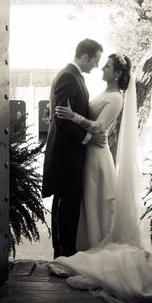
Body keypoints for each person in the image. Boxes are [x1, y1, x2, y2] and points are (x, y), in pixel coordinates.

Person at [48, 53, 152, 303]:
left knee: (97, 201)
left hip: (97, 157)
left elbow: (99, 127)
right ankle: (82, 245)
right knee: (86, 203)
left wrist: (73, 117)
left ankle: (95, 244)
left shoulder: (117, 98)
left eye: (106, 66)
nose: (101, 68)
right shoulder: (101, 91)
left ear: (117, 73)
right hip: (87, 155)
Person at [42, 38, 106, 258]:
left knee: (65, 205)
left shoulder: (74, 76)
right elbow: (61, 119)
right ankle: (64, 255)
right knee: (66, 206)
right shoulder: (69, 77)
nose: (97, 65)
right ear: (85, 56)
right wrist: (88, 137)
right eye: (96, 60)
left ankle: (62, 252)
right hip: (66, 154)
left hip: (70, 153)